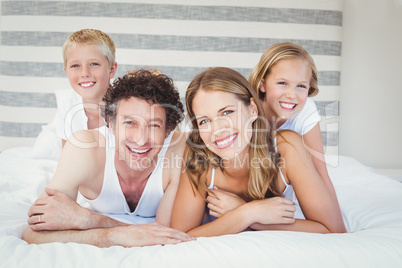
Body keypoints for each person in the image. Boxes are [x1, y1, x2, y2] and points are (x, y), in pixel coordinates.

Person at [22, 70, 194, 247]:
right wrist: (112, 235)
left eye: (154, 125)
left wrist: (90, 220)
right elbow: (33, 234)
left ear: (168, 131)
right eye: (129, 123)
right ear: (111, 124)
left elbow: (168, 234)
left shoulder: (179, 151)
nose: (141, 140)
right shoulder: (84, 148)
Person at [170, 67, 346, 237]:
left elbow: (331, 229)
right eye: (204, 121)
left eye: (227, 112)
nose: (217, 130)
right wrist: (247, 213)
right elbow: (180, 236)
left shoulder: (286, 146)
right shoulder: (198, 158)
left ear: (253, 109)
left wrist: (251, 216)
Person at [248, 42, 340, 208]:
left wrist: (340, 229)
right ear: (262, 84)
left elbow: (321, 174)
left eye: (301, 86)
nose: (291, 95)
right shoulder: (247, 109)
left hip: (279, 196)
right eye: (282, 83)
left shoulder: (306, 111)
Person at [32, 29, 117, 159]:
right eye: (75, 66)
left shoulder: (126, 104)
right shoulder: (67, 104)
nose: (84, 73)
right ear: (66, 72)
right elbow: (69, 160)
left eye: (94, 64)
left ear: (111, 70)